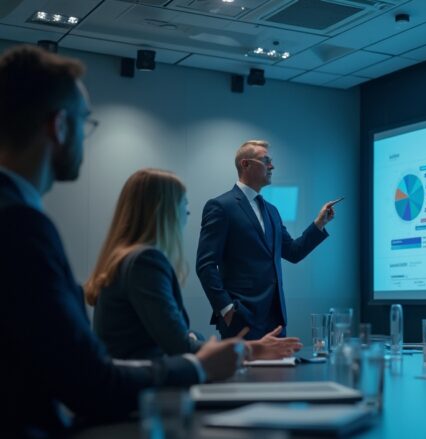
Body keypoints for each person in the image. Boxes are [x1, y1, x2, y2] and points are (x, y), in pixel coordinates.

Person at [0, 45, 244, 437]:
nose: (86, 133)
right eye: (85, 121)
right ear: (59, 126)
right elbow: (88, 382)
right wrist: (200, 365)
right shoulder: (21, 226)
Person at [86, 168, 302, 360]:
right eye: (183, 203)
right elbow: (179, 346)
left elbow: (174, 338)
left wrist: (191, 337)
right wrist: (252, 350)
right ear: (163, 210)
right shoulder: (145, 262)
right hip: (141, 397)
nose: (187, 212)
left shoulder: (127, 259)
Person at [197, 140, 337, 340]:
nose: (272, 166)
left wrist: (319, 224)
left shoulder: (272, 211)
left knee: (281, 373)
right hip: (240, 319)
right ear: (245, 164)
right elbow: (205, 265)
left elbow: (293, 252)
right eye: (266, 160)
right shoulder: (220, 207)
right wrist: (227, 310)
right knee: (244, 373)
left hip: (275, 320)